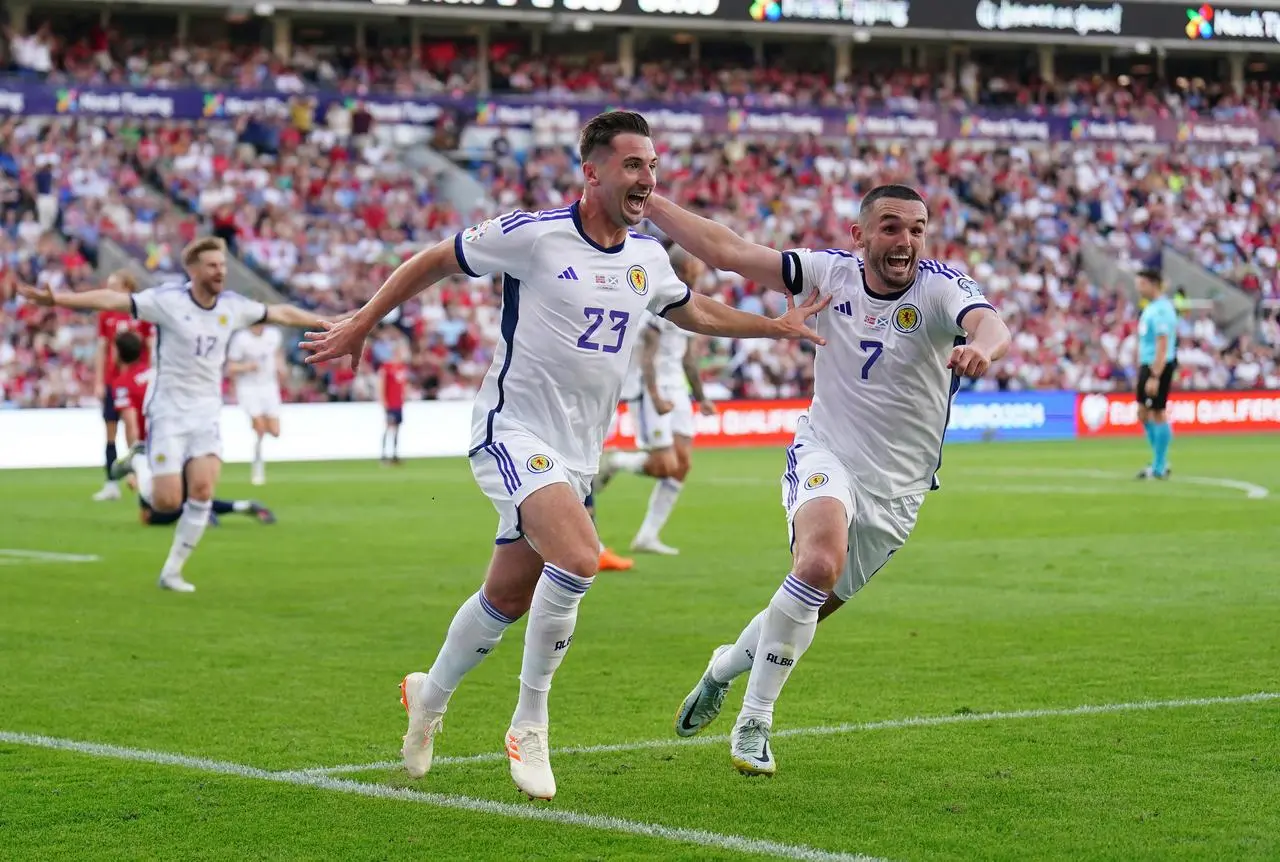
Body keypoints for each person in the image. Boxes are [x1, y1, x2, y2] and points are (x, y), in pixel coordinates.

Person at [300, 110, 828, 801]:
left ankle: (429, 692)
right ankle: (530, 721)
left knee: (508, 594)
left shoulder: (646, 257)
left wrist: (772, 326)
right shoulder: (533, 236)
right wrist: (363, 320)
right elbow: (435, 258)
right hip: (513, 430)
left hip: (579, 453)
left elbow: (690, 310)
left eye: (653, 166)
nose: (647, 179)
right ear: (593, 171)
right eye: (633, 165)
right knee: (579, 558)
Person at [645, 184, 1011, 777]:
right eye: (891, 227)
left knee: (805, 609)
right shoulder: (826, 273)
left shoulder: (941, 287)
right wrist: (650, 202)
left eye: (917, 229)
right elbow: (727, 250)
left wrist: (984, 351)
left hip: (899, 490)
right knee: (816, 564)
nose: (907, 241)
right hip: (826, 451)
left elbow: (988, 324)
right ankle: (755, 720)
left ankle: (722, 668)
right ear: (859, 235)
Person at [20, 237, 325, 593]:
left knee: (203, 490)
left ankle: (172, 572)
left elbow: (282, 313)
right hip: (168, 410)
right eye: (212, 265)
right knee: (166, 501)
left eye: (223, 265)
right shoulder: (167, 301)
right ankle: (137, 463)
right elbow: (111, 300)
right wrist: (58, 299)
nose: (220, 271)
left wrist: (327, 321)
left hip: (206, 411)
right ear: (193, 270)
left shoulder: (233, 306)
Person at [595, 245, 717, 555]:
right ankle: (618, 461)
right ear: (686, 266)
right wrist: (656, 396)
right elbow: (647, 356)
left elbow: (688, 358)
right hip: (652, 389)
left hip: (676, 389)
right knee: (665, 464)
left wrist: (701, 397)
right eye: (696, 261)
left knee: (682, 464)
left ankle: (647, 536)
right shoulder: (660, 299)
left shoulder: (690, 300)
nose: (701, 266)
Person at [108, 331, 276, 528]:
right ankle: (240, 506)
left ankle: (137, 461)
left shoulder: (123, 383)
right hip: (183, 438)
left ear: (118, 352)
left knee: (154, 513)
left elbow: (131, 424)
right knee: (191, 495)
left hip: (156, 447)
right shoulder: (158, 374)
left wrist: (136, 456)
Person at [91, 270, 150, 502]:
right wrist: (98, 381)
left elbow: (150, 346)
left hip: (136, 381)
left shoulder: (142, 313)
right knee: (110, 431)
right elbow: (102, 349)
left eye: (114, 286)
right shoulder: (106, 315)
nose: (110, 290)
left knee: (134, 430)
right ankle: (111, 483)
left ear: (127, 288)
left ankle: (138, 474)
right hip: (112, 381)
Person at [226, 321, 285, 486]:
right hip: (249, 388)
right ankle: (257, 466)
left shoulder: (273, 335)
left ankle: (259, 434)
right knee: (259, 428)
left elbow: (278, 354)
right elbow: (230, 367)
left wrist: (281, 369)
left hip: (269, 387)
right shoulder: (241, 339)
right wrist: (247, 367)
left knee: (275, 431)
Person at [1134, 269, 1178, 479]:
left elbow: (1163, 343)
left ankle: (1159, 466)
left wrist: (1155, 375)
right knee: (1143, 413)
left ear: (1153, 284)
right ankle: (1160, 460)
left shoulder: (1161, 310)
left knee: (1158, 412)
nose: (1138, 288)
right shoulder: (1151, 308)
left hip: (1158, 365)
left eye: (1142, 284)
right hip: (1147, 364)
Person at [378, 340, 409, 465]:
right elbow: (382, 384)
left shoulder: (402, 367)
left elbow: (403, 384)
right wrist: (383, 401)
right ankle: (384, 455)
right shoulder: (387, 367)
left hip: (398, 403)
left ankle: (395, 454)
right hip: (390, 403)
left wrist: (404, 397)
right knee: (388, 427)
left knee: (397, 429)